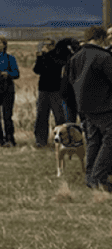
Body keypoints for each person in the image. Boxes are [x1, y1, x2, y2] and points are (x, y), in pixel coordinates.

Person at [59, 25, 112, 190]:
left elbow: (68, 84)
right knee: (109, 139)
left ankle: (90, 178)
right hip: (104, 106)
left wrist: (74, 105)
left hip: (84, 108)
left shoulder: (75, 58)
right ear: (101, 38)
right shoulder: (104, 57)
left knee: (93, 141)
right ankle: (99, 177)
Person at [33, 37, 68, 148]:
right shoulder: (43, 56)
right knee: (41, 116)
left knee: (59, 116)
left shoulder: (58, 55)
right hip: (43, 89)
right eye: (45, 44)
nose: (46, 47)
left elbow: (57, 65)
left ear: (53, 46)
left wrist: (47, 54)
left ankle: (62, 139)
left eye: (49, 45)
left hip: (55, 89)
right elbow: (37, 70)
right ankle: (40, 141)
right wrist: (39, 57)